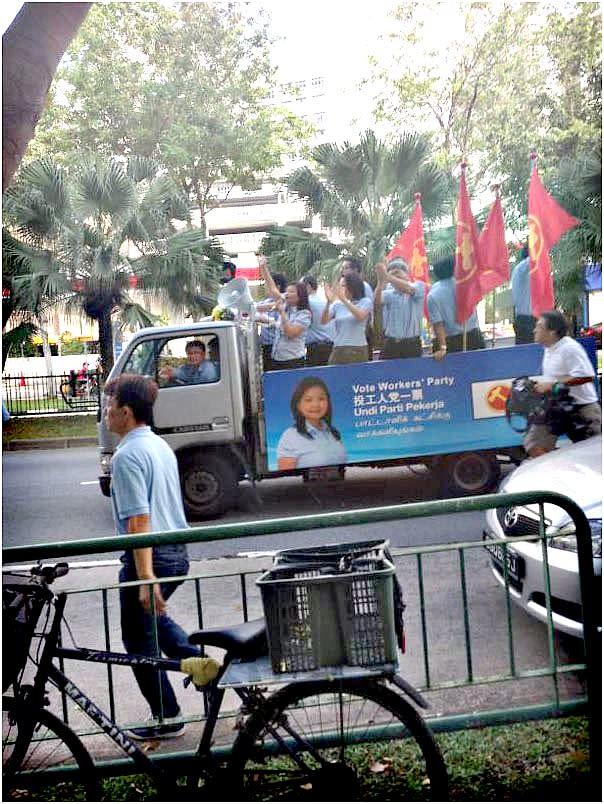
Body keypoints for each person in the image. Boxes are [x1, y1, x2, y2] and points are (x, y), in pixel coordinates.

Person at [104, 374, 199, 740]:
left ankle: (167, 716)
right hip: (176, 554)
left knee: (139, 640)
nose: (106, 413)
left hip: (151, 558)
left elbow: (140, 521)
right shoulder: (158, 445)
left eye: (109, 406)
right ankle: (204, 667)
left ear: (126, 411)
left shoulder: (127, 455)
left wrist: (145, 578)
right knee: (154, 625)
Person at [523, 310, 601, 457]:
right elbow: (556, 376)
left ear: (552, 332)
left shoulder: (569, 348)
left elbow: (586, 376)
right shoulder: (549, 348)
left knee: (592, 456)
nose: (534, 330)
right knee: (534, 444)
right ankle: (554, 474)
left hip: (582, 409)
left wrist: (552, 384)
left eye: (539, 327)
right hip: (557, 406)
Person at [277, 376, 347, 469]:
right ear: (298, 405)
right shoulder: (290, 437)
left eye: (321, 399)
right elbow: (287, 478)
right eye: (308, 400)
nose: (316, 405)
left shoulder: (333, 433)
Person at [426, 254, 485, 360]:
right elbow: (477, 300)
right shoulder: (467, 285)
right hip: (472, 337)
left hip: (449, 342)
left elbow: (438, 324)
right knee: (477, 373)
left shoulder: (432, 294)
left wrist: (443, 348)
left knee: (451, 375)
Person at [257, 256, 311, 370]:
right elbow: (273, 289)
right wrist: (263, 268)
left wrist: (282, 312)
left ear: (300, 295)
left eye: (291, 292)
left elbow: (290, 333)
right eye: (287, 291)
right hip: (277, 359)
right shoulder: (286, 304)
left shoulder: (304, 314)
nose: (287, 294)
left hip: (293, 361)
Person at [374, 257, 426, 359]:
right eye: (392, 269)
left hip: (412, 345)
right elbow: (376, 303)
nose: (397, 271)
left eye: (401, 269)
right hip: (391, 344)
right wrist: (380, 282)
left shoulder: (418, 286)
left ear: (407, 274)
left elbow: (409, 289)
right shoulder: (389, 293)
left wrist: (387, 276)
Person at [322, 272, 372, 364]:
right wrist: (328, 302)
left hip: (357, 348)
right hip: (339, 348)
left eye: (344, 286)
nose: (341, 289)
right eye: (340, 286)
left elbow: (360, 316)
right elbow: (324, 321)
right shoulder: (337, 304)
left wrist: (344, 300)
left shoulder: (365, 302)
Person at [341, 256, 375, 360]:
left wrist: (364, 333)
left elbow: (367, 313)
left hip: (362, 336)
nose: (343, 272)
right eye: (343, 268)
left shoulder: (364, 286)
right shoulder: (344, 286)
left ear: (355, 270)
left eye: (346, 268)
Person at [256, 267, 288, 371]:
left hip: (278, 346)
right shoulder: (265, 301)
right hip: (267, 347)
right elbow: (254, 309)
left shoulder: (285, 300)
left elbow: (260, 307)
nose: (266, 288)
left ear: (277, 287)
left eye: (267, 285)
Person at [301, 275, 334, 367]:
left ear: (308, 286)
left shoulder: (306, 302)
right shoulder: (325, 302)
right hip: (330, 346)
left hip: (315, 350)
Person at [511, 245, 535, 344]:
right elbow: (534, 259)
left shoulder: (519, 270)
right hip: (527, 321)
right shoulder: (523, 268)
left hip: (523, 319)